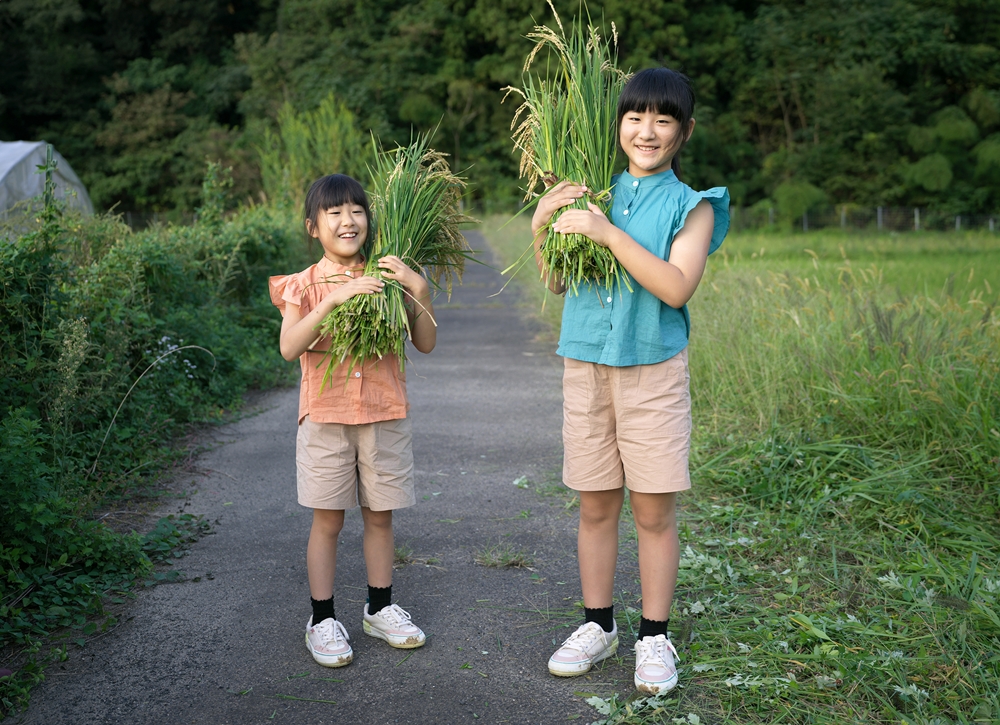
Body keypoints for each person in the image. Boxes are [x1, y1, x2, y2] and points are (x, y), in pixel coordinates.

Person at [532, 68, 729, 694]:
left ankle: (653, 635)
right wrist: (545, 224)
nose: (647, 131)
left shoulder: (694, 205)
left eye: (663, 120)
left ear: (684, 131)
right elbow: (558, 281)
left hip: (653, 372)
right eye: (636, 117)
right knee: (595, 504)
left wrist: (607, 232)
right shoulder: (592, 190)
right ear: (618, 124)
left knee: (652, 509)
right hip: (586, 365)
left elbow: (676, 286)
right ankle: (598, 625)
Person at [269, 173, 435, 667]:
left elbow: (424, 342)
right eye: (334, 213)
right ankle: (322, 619)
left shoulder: (389, 277)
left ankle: (379, 608)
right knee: (328, 520)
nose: (348, 220)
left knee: (380, 516)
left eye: (357, 210)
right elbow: (288, 347)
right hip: (326, 417)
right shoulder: (303, 285)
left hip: (384, 414)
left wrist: (416, 285)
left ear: (369, 219)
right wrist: (335, 299)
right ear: (312, 227)